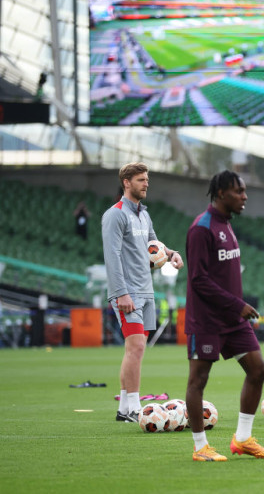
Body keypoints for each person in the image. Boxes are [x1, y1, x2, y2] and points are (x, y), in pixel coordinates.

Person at [185, 170, 264, 462]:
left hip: (233, 320)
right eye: (239, 191)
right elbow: (198, 279)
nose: (244, 196)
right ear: (221, 193)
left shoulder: (227, 225)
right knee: (198, 380)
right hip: (208, 320)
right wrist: (237, 304)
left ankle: (243, 439)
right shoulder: (202, 228)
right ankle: (201, 447)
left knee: (258, 370)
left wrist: (236, 308)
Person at [102, 162, 184, 423]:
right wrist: (121, 293)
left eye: (147, 179)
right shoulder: (115, 214)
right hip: (127, 293)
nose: (146, 183)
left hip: (146, 291)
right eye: (140, 179)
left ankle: (125, 408)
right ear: (126, 182)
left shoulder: (144, 215)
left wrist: (172, 254)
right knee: (135, 347)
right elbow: (112, 256)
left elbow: (154, 245)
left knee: (135, 349)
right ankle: (134, 408)